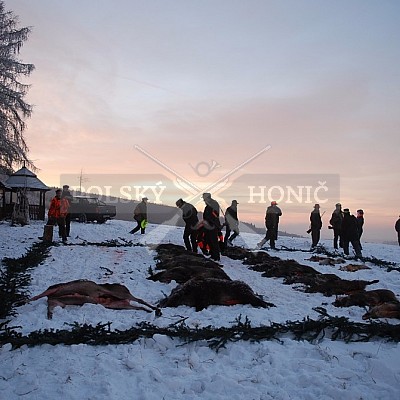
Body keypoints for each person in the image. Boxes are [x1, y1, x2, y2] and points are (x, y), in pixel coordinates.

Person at [202, 192, 221, 261]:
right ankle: (213, 255)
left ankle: (216, 257)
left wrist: (210, 220)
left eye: (204, 198)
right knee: (208, 240)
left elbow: (215, 215)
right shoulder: (208, 206)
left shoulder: (213, 204)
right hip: (208, 226)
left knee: (213, 241)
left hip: (213, 225)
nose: (203, 200)